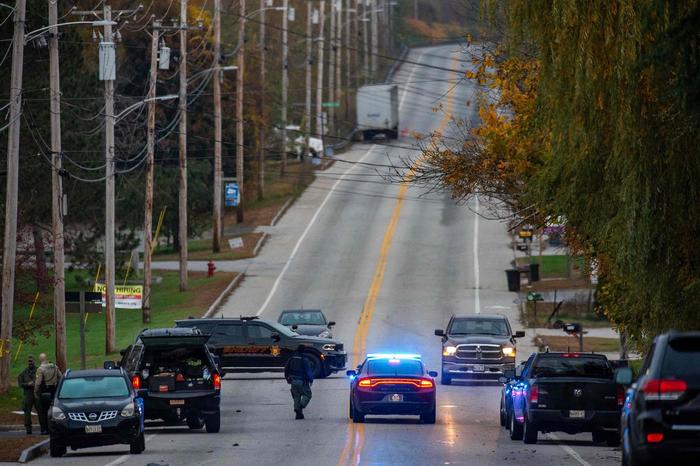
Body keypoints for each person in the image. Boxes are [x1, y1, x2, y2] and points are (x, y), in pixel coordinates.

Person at [34, 353, 62, 435]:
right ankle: (54, 428)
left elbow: (38, 383)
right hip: (54, 390)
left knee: (44, 411)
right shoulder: (54, 367)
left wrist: (35, 392)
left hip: (45, 391)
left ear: (40, 359)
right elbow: (60, 377)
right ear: (46, 359)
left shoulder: (40, 369)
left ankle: (45, 429)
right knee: (54, 410)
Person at [284, 346, 314, 419]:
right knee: (308, 395)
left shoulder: (291, 359)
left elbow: (286, 369)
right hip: (302, 381)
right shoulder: (304, 360)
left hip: (293, 381)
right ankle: (300, 407)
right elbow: (308, 371)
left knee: (296, 397)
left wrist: (287, 378)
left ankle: (298, 413)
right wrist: (311, 379)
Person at [17, 356, 37, 434]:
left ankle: (44, 429)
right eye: (29, 361)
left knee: (41, 411)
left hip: (37, 393)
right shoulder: (24, 372)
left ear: (34, 361)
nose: (30, 363)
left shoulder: (38, 370)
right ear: (27, 362)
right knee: (27, 412)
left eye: (31, 361)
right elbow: (20, 384)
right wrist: (27, 384)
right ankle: (28, 430)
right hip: (28, 394)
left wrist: (35, 383)